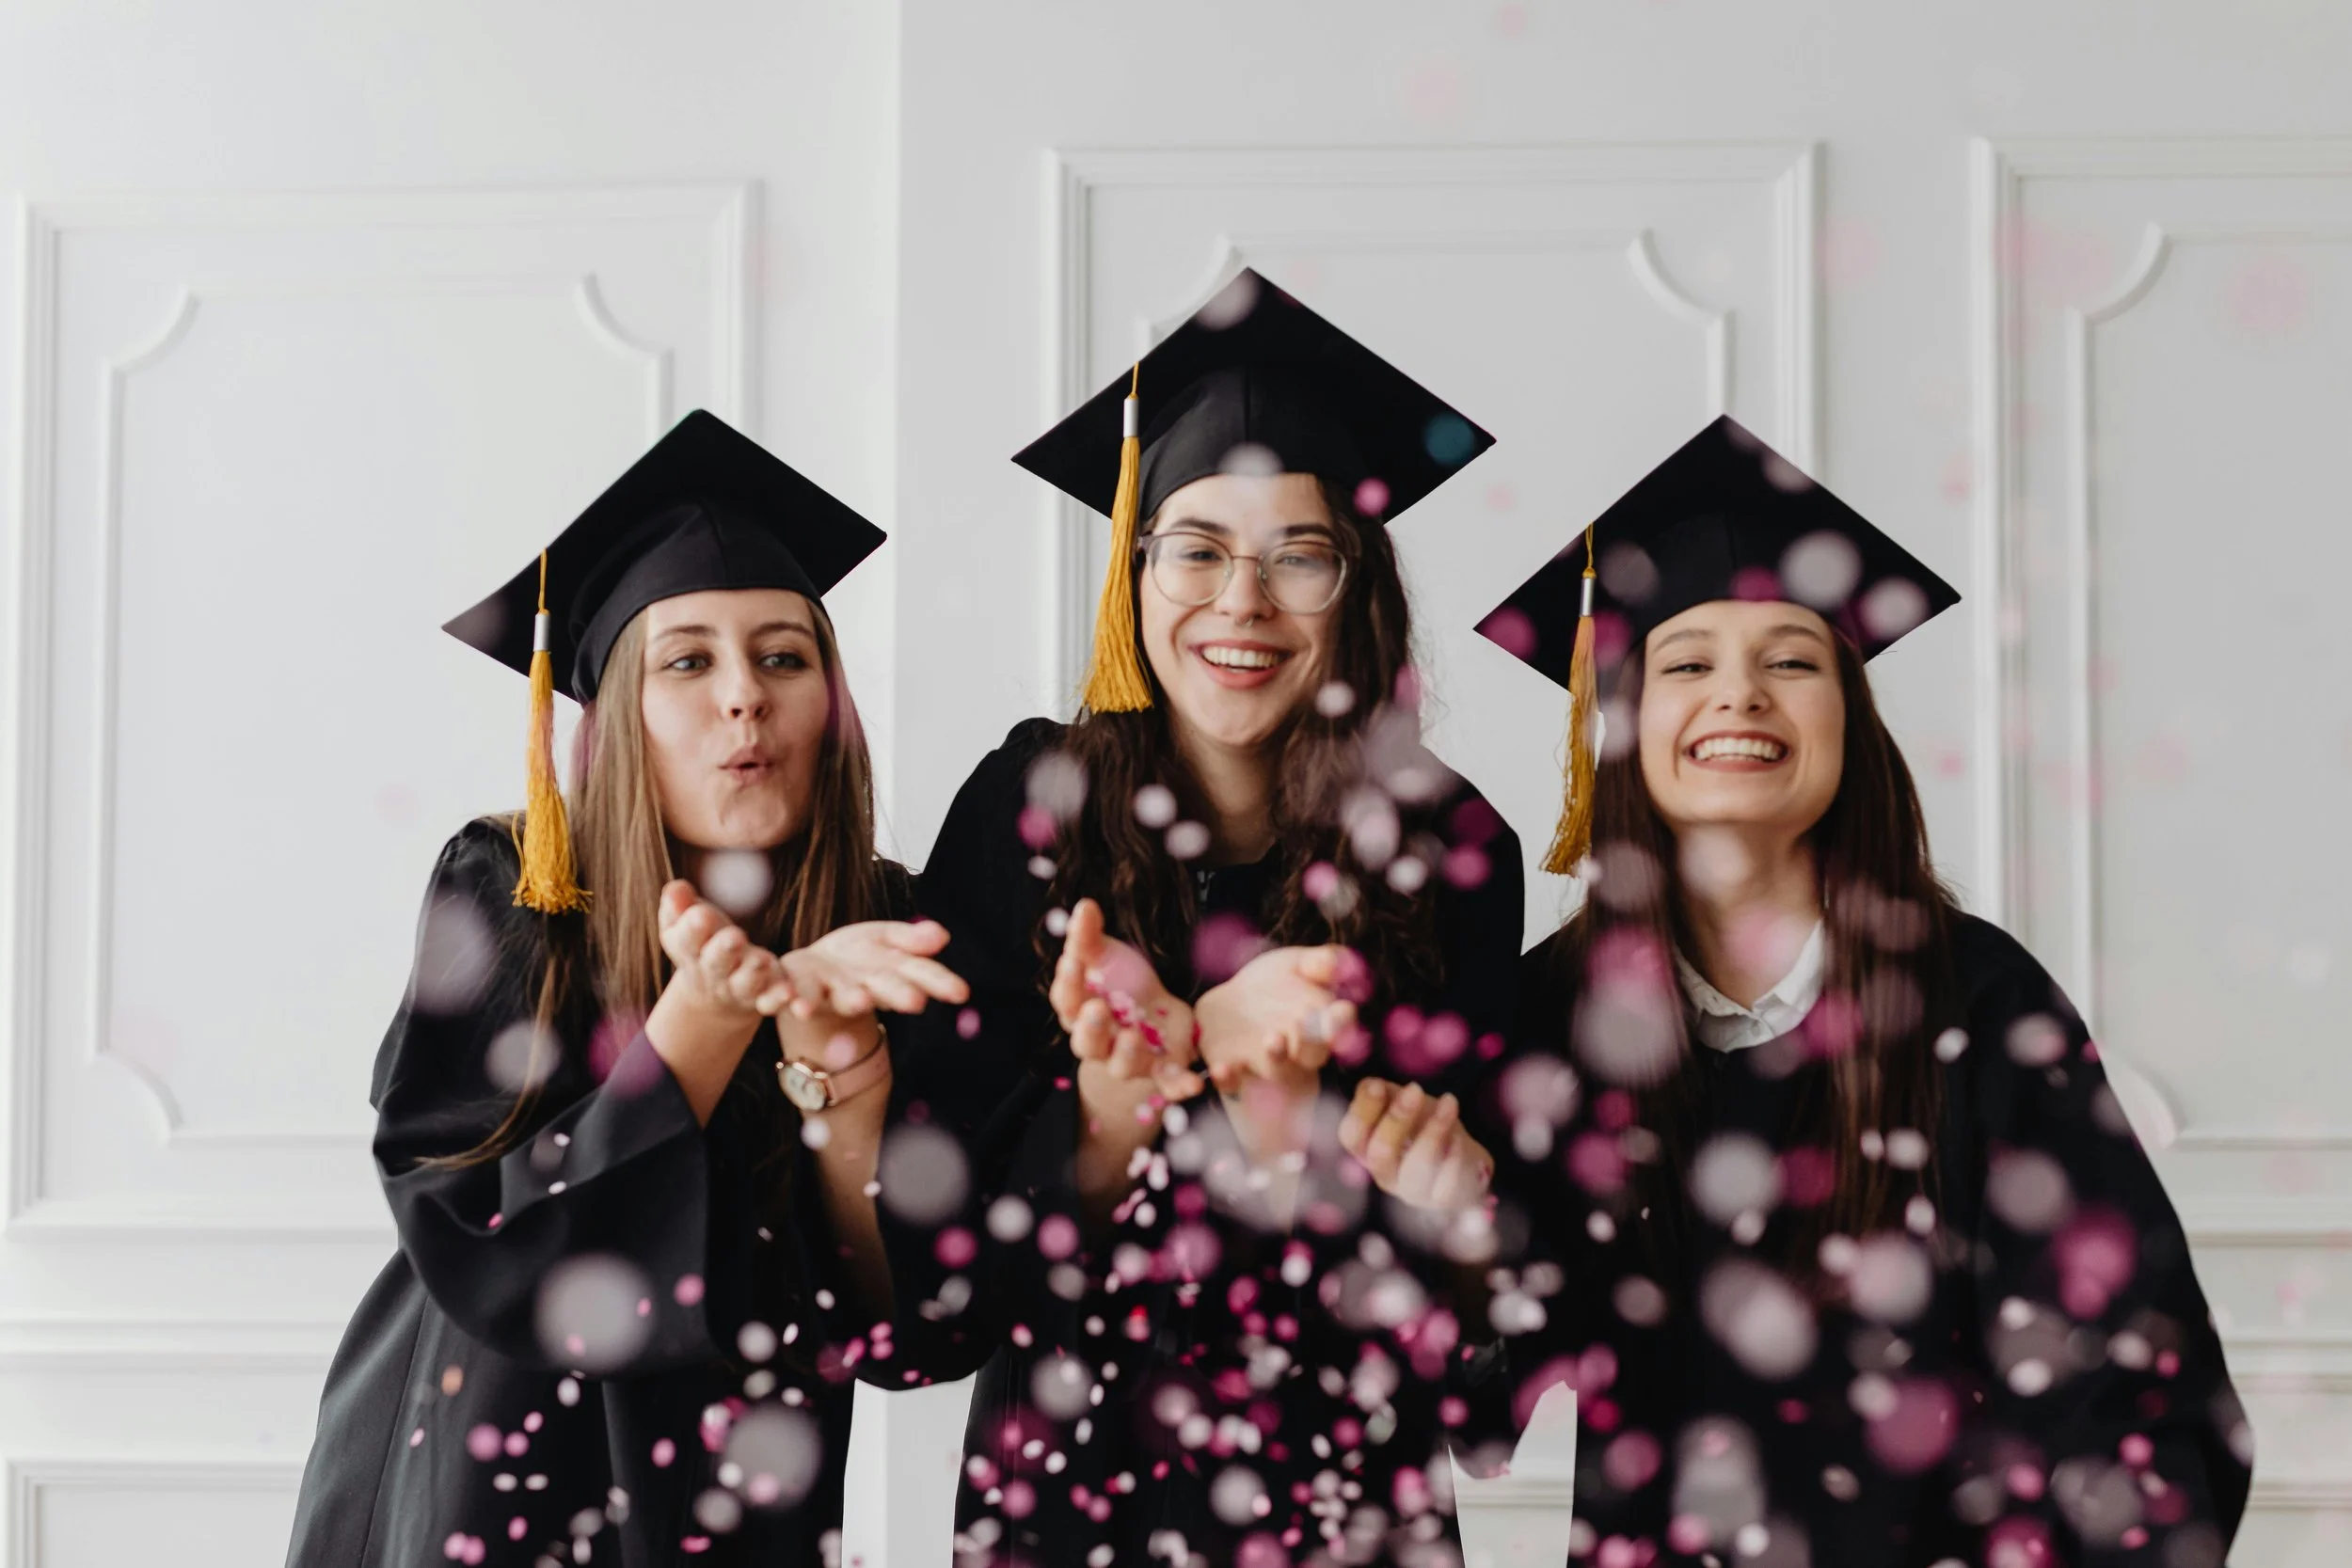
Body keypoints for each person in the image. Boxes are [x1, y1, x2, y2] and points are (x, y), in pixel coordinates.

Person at [1475, 415, 2251, 1567]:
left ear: (1852, 716)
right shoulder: (1554, 1019)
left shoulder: (1980, 1004)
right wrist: (1446, 1217)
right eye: (1687, 663)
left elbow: (2138, 1389)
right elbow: (1481, 1403)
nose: (1738, 696)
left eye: (1790, 660)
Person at [864, 269, 1543, 1568]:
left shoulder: (1449, 844)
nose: (1243, 600)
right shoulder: (1031, 810)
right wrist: (1117, 1090)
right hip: (1072, 1485)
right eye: (1199, 549)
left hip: (1349, 1491)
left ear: (1358, 587)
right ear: (1135, 571)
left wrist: (1463, 1216)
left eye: (1299, 553)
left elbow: (1484, 1360)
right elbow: (936, 1254)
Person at [284, 411, 966, 1567]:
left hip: (743, 1487)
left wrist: (843, 1084)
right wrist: (701, 1016)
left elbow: (898, 1323)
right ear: (617, 715)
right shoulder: (513, 888)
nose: (743, 695)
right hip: (488, 1472)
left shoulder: (888, 930)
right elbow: (486, 1241)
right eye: (688, 659)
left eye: (784, 655)